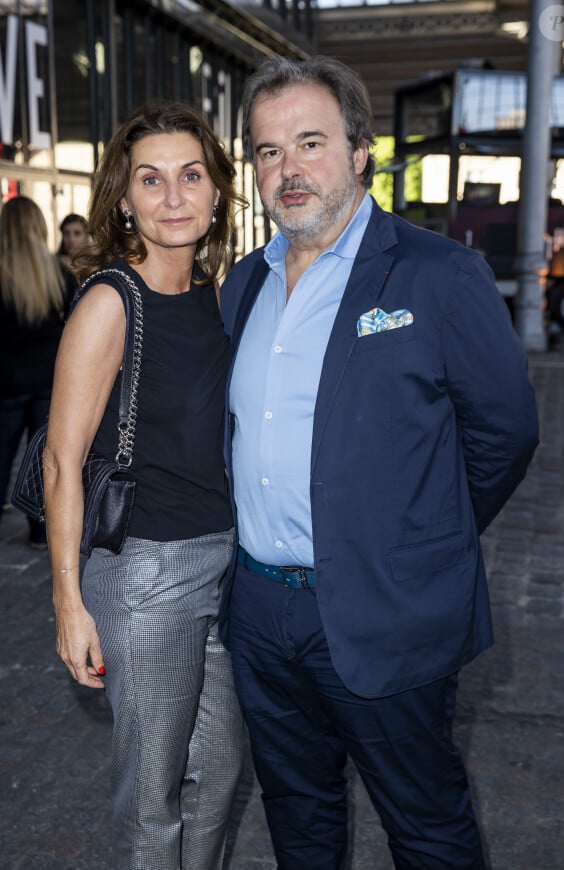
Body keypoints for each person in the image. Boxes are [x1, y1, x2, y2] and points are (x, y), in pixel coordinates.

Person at [218, 55, 540, 869]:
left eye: (310, 142)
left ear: (359, 151)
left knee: (426, 826)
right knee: (298, 812)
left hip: (385, 611)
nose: (288, 169)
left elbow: (504, 434)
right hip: (261, 612)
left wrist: (415, 539)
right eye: (267, 150)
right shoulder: (242, 286)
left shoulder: (440, 274)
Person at [43, 102, 246, 870]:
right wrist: (69, 603)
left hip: (224, 567)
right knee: (153, 800)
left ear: (217, 189)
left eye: (190, 176)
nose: (172, 197)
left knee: (221, 776)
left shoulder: (214, 295)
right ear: (124, 199)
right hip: (146, 576)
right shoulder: (109, 302)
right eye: (150, 180)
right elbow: (61, 460)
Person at [0, 195, 77, 548]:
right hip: (48, 380)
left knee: (2, 457)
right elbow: (73, 321)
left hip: (7, 383)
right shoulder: (57, 272)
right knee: (41, 461)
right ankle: (38, 532)